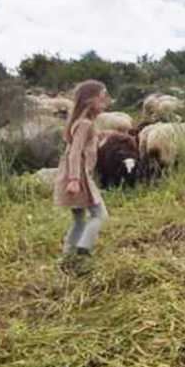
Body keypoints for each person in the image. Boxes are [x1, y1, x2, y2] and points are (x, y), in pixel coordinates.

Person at [53, 80, 112, 276]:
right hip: (78, 178)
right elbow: (75, 152)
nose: (105, 102)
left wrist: (99, 137)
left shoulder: (81, 123)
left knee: (79, 220)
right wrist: (74, 180)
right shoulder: (85, 124)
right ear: (89, 101)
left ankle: (67, 258)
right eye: (102, 98)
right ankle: (83, 249)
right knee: (100, 215)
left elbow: (82, 145)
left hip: (75, 175)